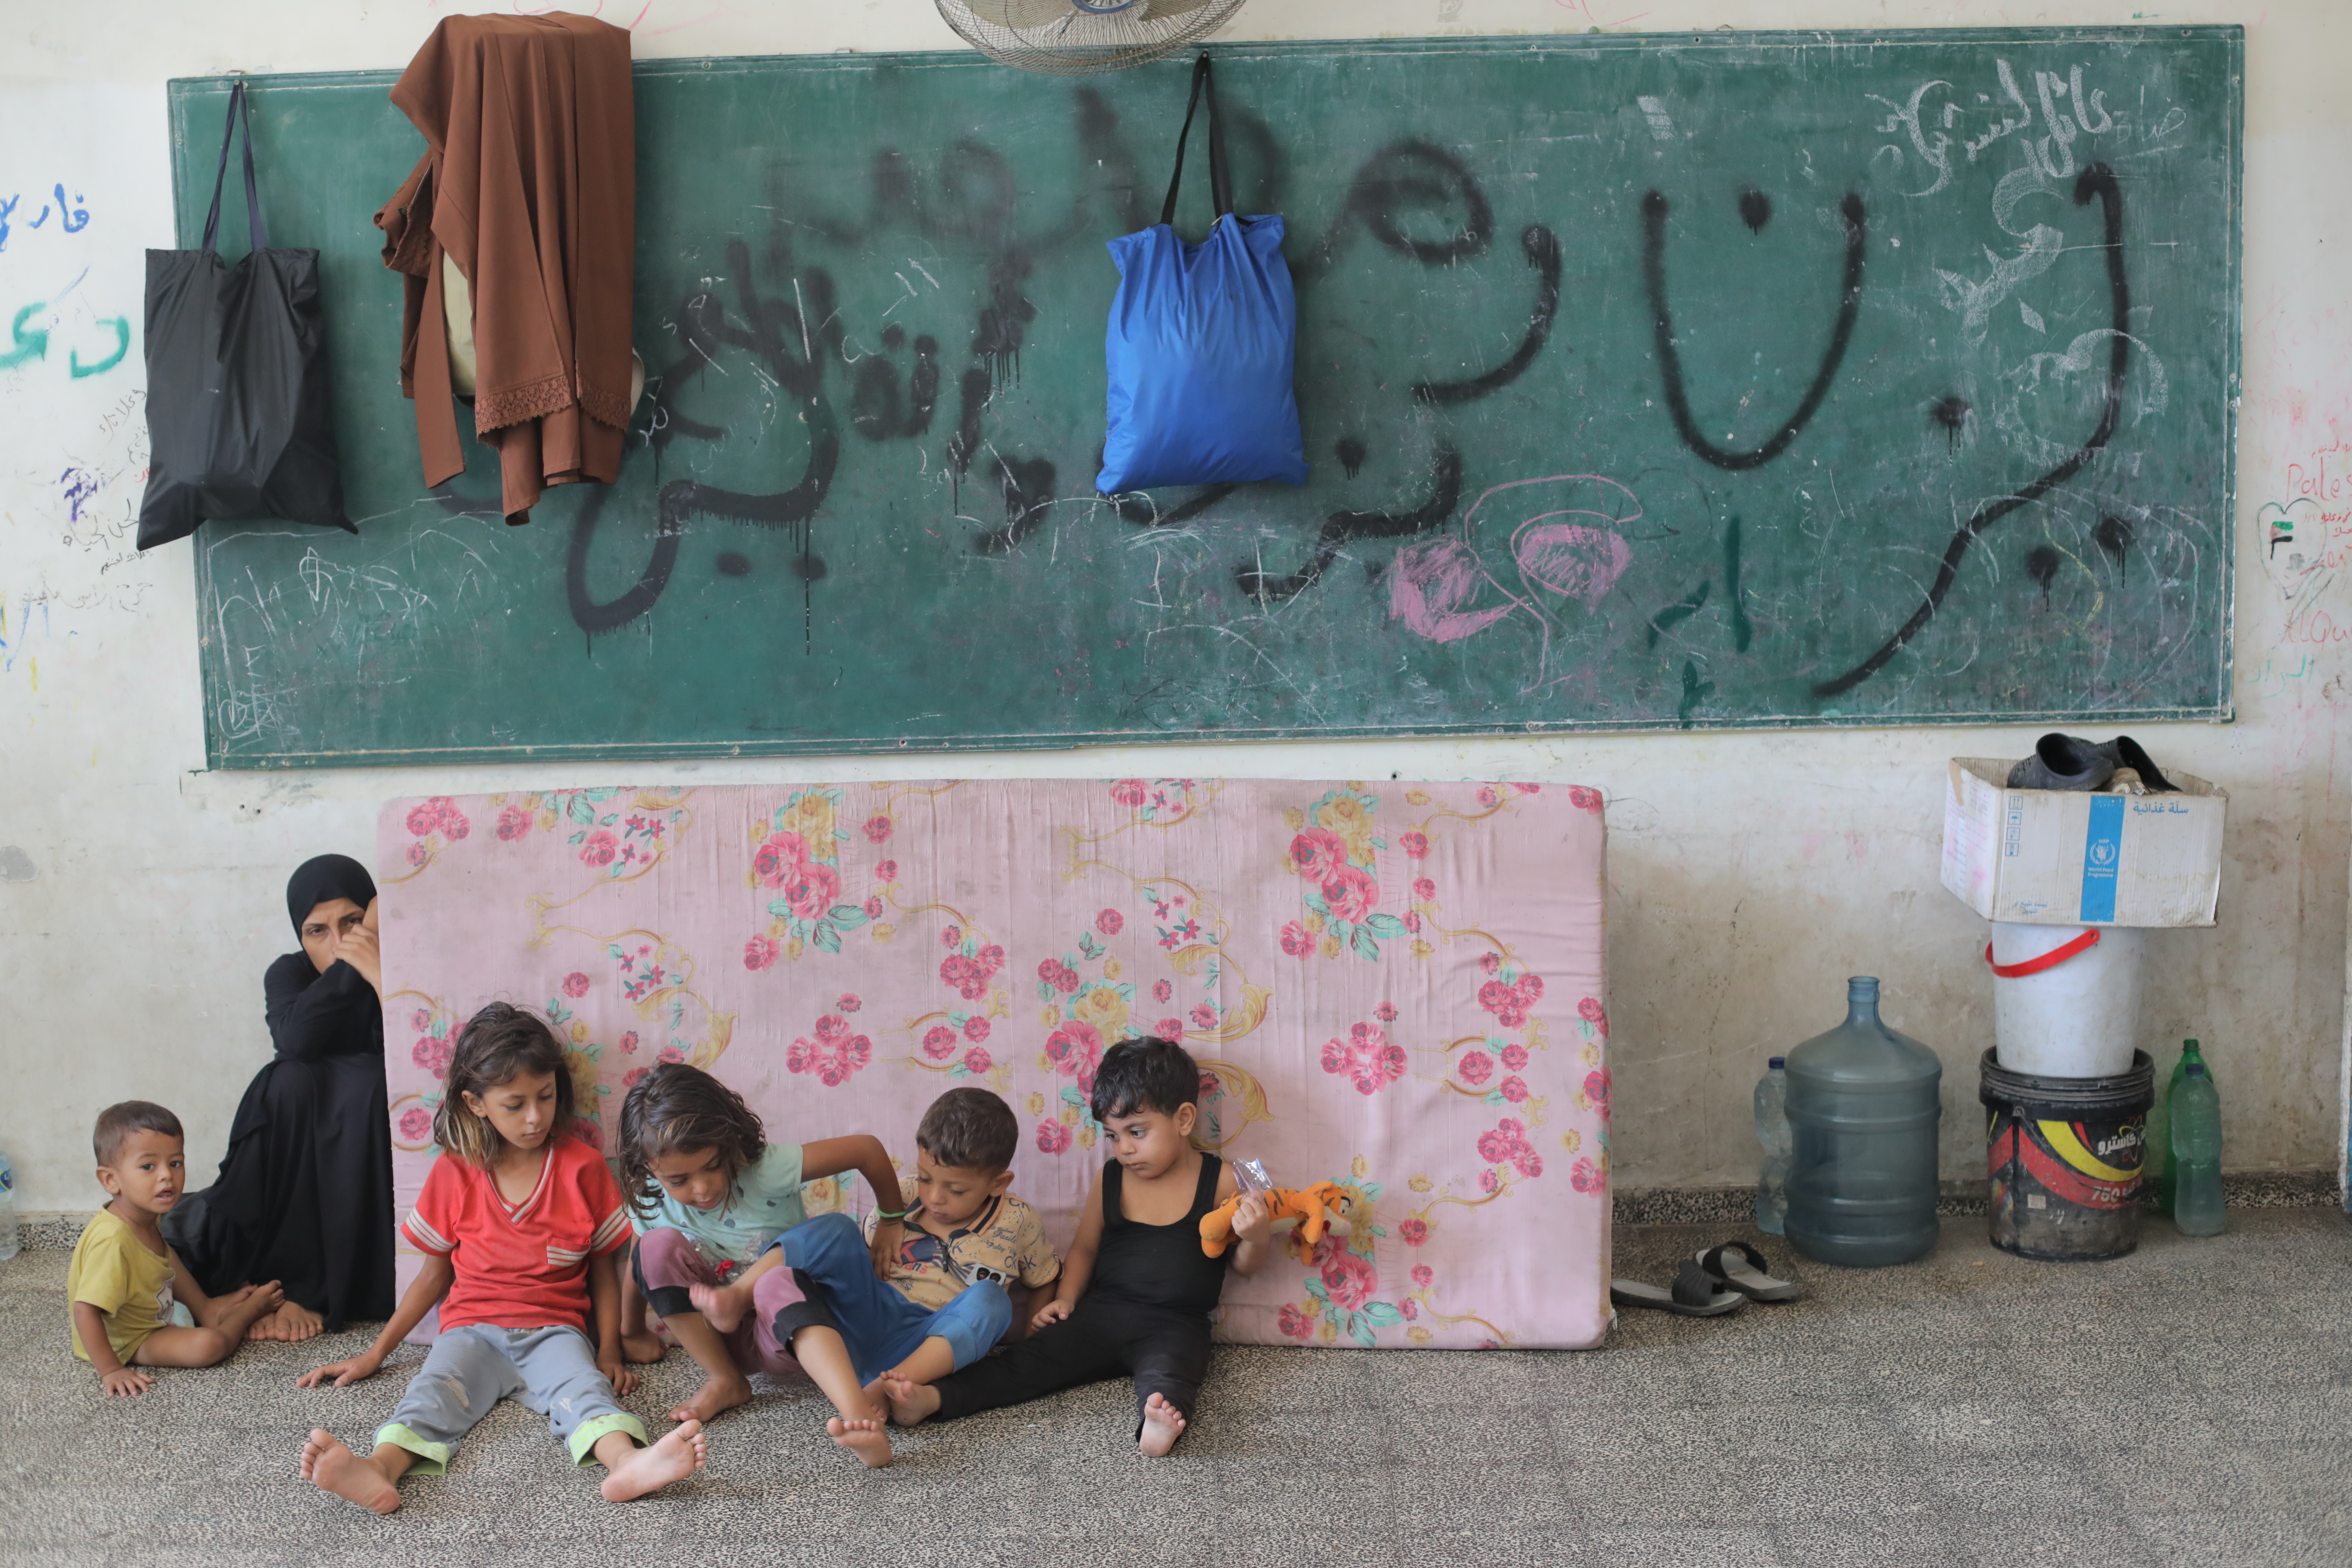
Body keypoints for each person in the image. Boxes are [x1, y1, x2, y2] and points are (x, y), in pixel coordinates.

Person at [295, 1004, 706, 1512]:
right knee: (430, 1395)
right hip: (470, 1330)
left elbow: (605, 1269)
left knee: (587, 1392)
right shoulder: (455, 1172)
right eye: (515, 1104)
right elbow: (432, 1277)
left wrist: (609, 1352)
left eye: (546, 1097)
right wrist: (375, 1353)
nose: (535, 1117)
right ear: (477, 1103)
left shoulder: (583, 1168)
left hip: (555, 1330)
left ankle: (626, 1464)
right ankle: (378, 1470)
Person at [878, 1036, 1271, 1456]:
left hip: (1176, 1322)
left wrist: (1256, 1235)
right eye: (1113, 1136)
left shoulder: (1224, 1181)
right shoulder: (1112, 1178)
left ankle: (1159, 1419)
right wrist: (1065, 1301)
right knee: (1025, 1363)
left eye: (1137, 1133)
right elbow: (1084, 1250)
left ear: (1185, 1118)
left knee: (1174, 1370)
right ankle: (931, 1400)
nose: (1125, 1149)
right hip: (1102, 1313)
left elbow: (1245, 1266)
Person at [610, 1062, 901, 1466]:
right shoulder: (652, 1194)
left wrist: (892, 1218)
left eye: (713, 1166)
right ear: (649, 1169)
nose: (703, 1188)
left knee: (786, 1271)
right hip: (722, 1338)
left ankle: (858, 1419)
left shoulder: (763, 1168)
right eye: (679, 1180)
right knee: (653, 1247)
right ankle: (725, 1379)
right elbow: (640, 1256)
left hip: (790, 1330)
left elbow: (866, 1149)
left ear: (728, 1140)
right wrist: (629, 1331)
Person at [166, 854, 396, 1341]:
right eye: (318, 932)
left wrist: (378, 966)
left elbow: (417, 1048)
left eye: (353, 923)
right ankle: (285, 1281)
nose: (337, 943)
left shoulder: (405, 959)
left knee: (371, 1083)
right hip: (303, 1125)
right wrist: (353, 963)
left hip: (366, 1126)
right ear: (299, 936)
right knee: (286, 1080)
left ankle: (344, 1283)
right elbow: (296, 1042)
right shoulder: (287, 973)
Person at [784, 1086, 1057, 1399]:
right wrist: (890, 1217)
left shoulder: (1018, 1219)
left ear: (998, 1184)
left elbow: (1043, 1280)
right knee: (834, 1228)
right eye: (925, 1178)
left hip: (932, 1346)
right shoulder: (899, 1196)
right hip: (861, 1327)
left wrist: (1030, 1345)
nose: (934, 1198)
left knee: (993, 1301)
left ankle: (886, 1390)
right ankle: (744, 1291)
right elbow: (852, 1264)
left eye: (956, 1190)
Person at [69, 1101, 286, 1395]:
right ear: (111, 1180)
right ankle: (248, 1312)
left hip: (149, 1315)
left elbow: (165, 1257)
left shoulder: (141, 1215)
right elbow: (85, 1310)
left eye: (175, 1163)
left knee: (168, 1252)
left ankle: (208, 1310)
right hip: (127, 1340)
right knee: (208, 1346)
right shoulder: (112, 1240)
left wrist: (204, 1305)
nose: (166, 1176)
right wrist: (111, 1370)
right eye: (148, 1166)